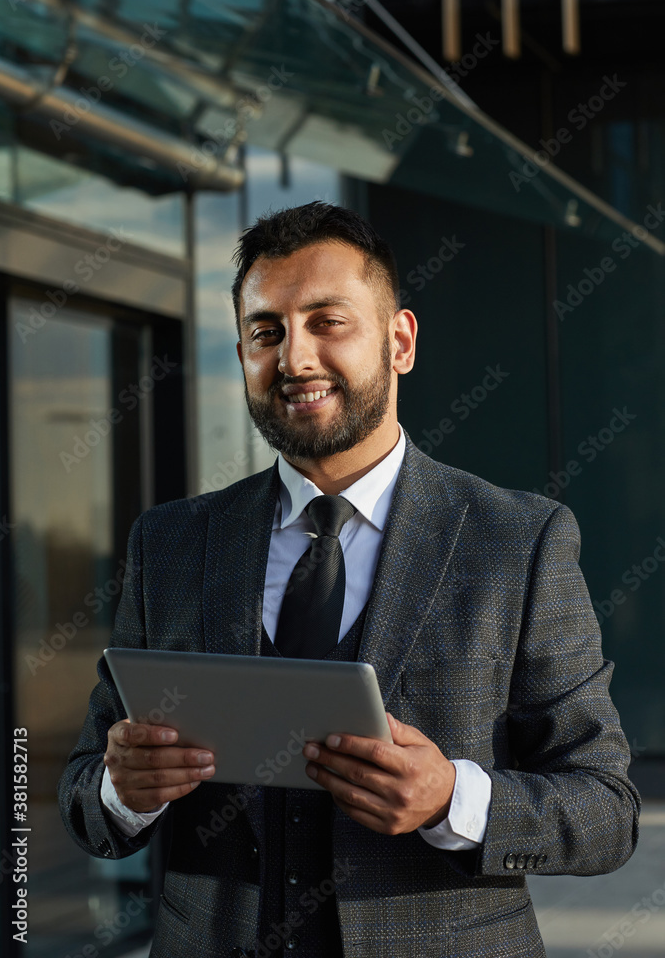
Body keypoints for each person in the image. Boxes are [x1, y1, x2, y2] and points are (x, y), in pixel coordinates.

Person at [58, 201, 640, 958]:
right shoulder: (169, 542)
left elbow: (606, 811)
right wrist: (119, 792)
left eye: (326, 321)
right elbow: (83, 792)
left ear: (398, 341)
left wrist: (451, 798)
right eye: (266, 332)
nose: (294, 358)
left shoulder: (517, 542)